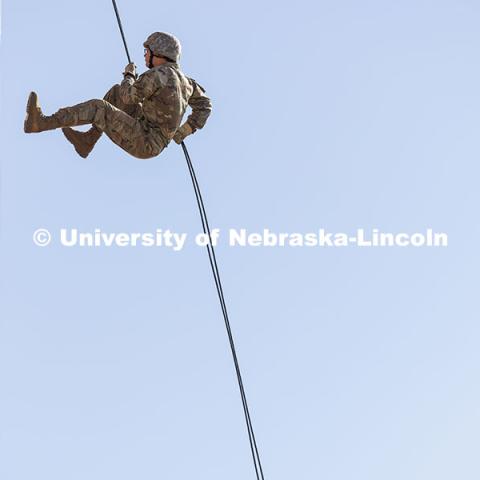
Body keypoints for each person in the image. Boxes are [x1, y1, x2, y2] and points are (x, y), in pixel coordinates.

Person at [24, 32, 212, 159]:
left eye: (148, 51)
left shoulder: (157, 76)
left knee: (99, 107)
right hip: (152, 133)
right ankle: (87, 141)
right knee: (113, 93)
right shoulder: (187, 82)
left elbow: (128, 97)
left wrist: (129, 76)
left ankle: (41, 123)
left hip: (144, 140)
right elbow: (204, 105)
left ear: (159, 54)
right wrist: (186, 130)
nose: (145, 56)